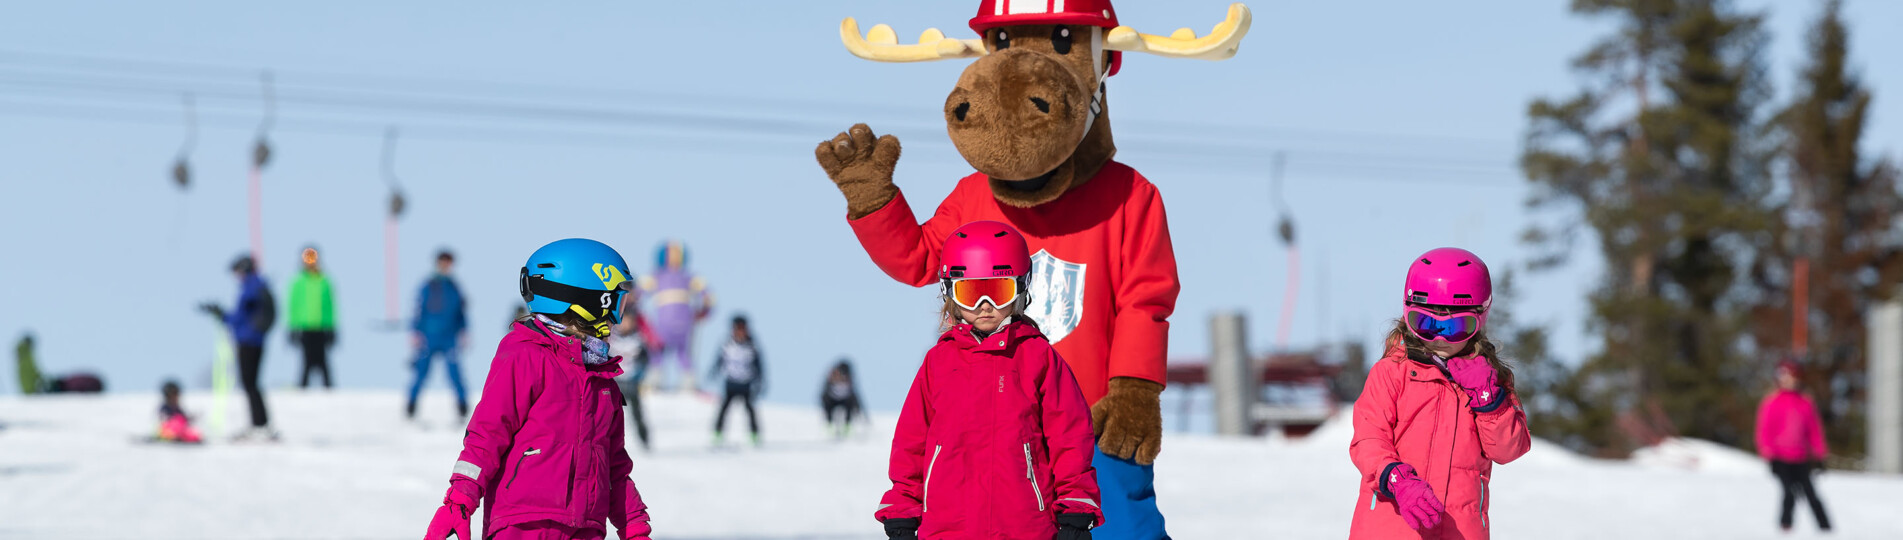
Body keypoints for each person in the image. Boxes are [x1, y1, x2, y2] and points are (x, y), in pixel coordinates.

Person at [877, 221, 1100, 540]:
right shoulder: (939, 363)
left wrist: (1076, 508)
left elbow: (1070, 437)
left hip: (1024, 526)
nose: (984, 306)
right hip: (947, 527)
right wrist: (903, 510)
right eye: (970, 293)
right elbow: (912, 443)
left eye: (997, 291)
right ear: (950, 293)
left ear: (1021, 289)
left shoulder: (1037, 358)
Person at [424, 238, 652, 540]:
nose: (618, 316)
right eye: (617, 300)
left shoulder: (603, 378)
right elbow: (487, 434)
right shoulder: (525, 355)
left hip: (586, 528)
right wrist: (459, 501)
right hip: (523, 525)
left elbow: (615, 467)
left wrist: (635, 527)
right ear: (590, 297)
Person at [1349, 248, 1529, 539]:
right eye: (1427, 324)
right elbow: (1368, 439)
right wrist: (1395, 478)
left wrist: (1488, 399)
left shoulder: (1492, 381)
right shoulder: (1392, 372)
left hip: (1459, 531)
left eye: (1456, 326)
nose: (1440, 338)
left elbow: (1508, 450)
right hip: (1391, 528)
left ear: (1480, 319)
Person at [200, 254, 278, 441]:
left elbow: (243, 318)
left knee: (250, 383)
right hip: (250, 339)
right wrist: (222, 314)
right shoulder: (255, 286)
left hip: (249, 341)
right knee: (250, 383)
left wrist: (225, 316)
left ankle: (260, 425)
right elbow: (241, 317)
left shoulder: (252, 288)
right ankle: (260, 424)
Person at [1756, 360, 1832, 532]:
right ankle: (1785, 527)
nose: (1787, 381)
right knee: (1789, 492)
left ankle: (1826, 528)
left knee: (1811, 494)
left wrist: (1820, 454)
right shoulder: (1772, 402)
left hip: (1801, 457)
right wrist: (1768, 452)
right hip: (1780, 457)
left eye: (1791, 377)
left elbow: (1814, 431)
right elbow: (1764, 429)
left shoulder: (1805, 402)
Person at [638, 240, 712, 393]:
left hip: (664, 321)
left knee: (658, 350)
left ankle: (654, 381)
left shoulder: (656, 276)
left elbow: (638, 292)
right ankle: (688, 382)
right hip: (685, 321)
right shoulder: (689, 277)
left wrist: (630, 307)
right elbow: (708, 296)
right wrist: (704, 310)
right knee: (683, 352)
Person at [408, 249, 470, 420]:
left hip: (450, 337)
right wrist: (415, 332)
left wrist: (464, 331)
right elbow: (418, 311)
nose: (446, 266)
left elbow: (461, 312)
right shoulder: (428, 285)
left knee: (455, 373)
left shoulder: (454, 287)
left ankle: (462, 407)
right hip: (429, 335)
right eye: (443, 262)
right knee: (421, 373)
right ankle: (411, 407)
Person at [287, 246, 338, 389]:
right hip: (305, 326)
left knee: (323, 361)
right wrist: (292, 327)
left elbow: (330, 306)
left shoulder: (324, 281)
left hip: (321, 326)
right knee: (306, 361)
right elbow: (293, 306)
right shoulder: (298, 282)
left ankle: (329, 390)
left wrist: (332, 327)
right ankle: (302, 388)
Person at [709, 315, 764, 447]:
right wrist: (713, 372)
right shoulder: (727, 345)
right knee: (724, 410)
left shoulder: (752, 347)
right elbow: (719, 361)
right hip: (731, 383)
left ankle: (754, 435)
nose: (740, 332)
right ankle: (717, 434)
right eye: (737, 328)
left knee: (750, 410)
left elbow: (759, 366)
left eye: (742, 328)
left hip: (746, 384)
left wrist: (760, 381)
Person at [608, 300, 654, 452]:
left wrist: (640, 376)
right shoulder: (610, 338)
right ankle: (607, 443)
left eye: (630, 321)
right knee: (609, 415)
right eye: (623, 321)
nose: (626, 324)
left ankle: (645, 440)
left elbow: (645, 360)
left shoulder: (638, 340)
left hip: (632, 383)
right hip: (615, 383)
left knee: (637, 414)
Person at [821, 358, 864, 440]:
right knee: (828, 407)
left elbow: (855, 397)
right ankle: (830, 426)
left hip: (845, 401)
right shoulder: (832, 376)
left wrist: (858, 410)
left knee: (849, 406)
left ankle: (847, 426)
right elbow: (824, 394)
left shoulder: (849, 381)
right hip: (831, 401)